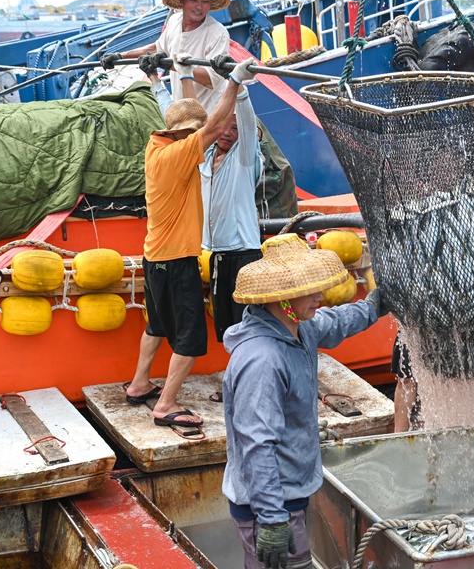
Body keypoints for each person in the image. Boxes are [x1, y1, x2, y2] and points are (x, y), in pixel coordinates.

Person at [221, 233, 388, 568]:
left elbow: (338, 322)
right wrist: (271, 519)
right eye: (310, 290)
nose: (320, 296)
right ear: (282, 298)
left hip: (288, 496)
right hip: (268, 506)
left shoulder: (297, 326)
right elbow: (257, 443)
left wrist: (373, 306)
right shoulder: (263, 360)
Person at [124, 57, 256, 428]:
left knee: (157, 326)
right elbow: (214, 127)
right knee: (191, 338)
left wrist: (157, 79)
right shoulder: (181, 155)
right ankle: (166, 405)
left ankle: (139, 384)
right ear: (186, 135)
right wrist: (234, 82)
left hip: (155, 258)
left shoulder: (158, 147)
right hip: (178, 261)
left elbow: (178, 113)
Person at [100, 0, 231, 113]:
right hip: (181, 111)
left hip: (209, 113)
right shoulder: (174, 21)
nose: (199, 7)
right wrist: (121, 56)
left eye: (205, 1)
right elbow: (158, 47)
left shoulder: (217, 33)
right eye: (193, 0)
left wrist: (172, 65)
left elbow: (212, 79)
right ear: (182, 0)